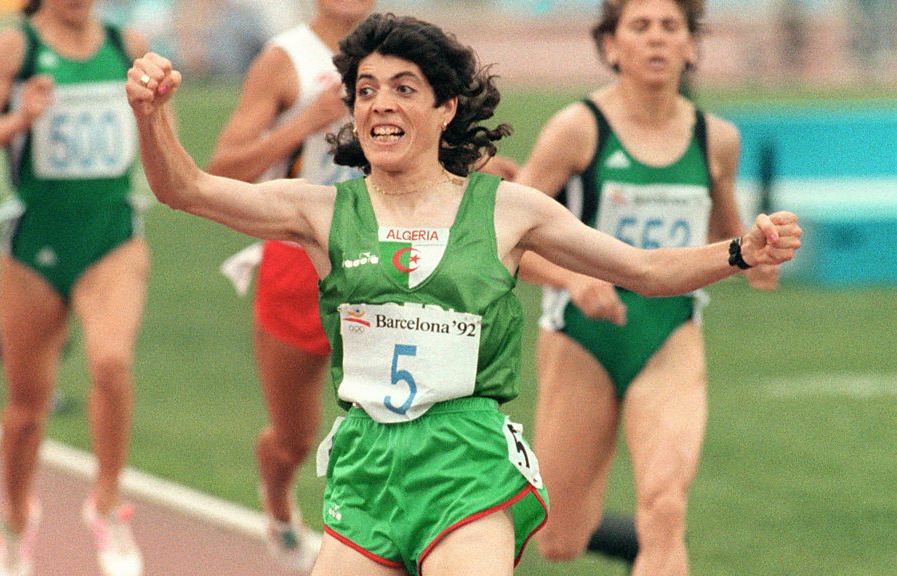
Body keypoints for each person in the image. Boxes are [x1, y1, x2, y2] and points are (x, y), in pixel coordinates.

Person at [126, 12, 800, 575]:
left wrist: (739, 251)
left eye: (404, 89)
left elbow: (644, 270)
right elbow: (186, 189)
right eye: (365, 90)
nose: (380, 104)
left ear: (445, 108)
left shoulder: (507, 209)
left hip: (465, 465)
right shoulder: (320, 210)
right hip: (366, 466)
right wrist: (152, 116)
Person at [514, 1, 781, 574]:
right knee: (559, 536)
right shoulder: (577, 129)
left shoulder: (717, 139)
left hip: (670, 335)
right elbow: (504, 240)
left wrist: (761, 255)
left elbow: (729, 240)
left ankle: (658, 545)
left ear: (691, 45)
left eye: (670, 26)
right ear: (611, 46)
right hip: (581, 338)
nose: (656, 39)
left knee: (665, 507)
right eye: (640, 26)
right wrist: (572, 276)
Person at [0, 1, 151, 575]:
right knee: (26, 413)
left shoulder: (128, 47)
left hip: (112, 238)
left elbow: (163, 150)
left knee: (111, 363)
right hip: (34, 246)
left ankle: (107, 505)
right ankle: (16, 520)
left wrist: (156, 112)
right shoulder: (15, 48)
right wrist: (20, 120)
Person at [203, 0, 375, 570]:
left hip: (385, 257)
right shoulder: (286, 60)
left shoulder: (400, 54)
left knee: (387, 421)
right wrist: (306, 121)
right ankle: (277, 495)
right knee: (295, 438)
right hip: (298, 257)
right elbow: (223, 170)